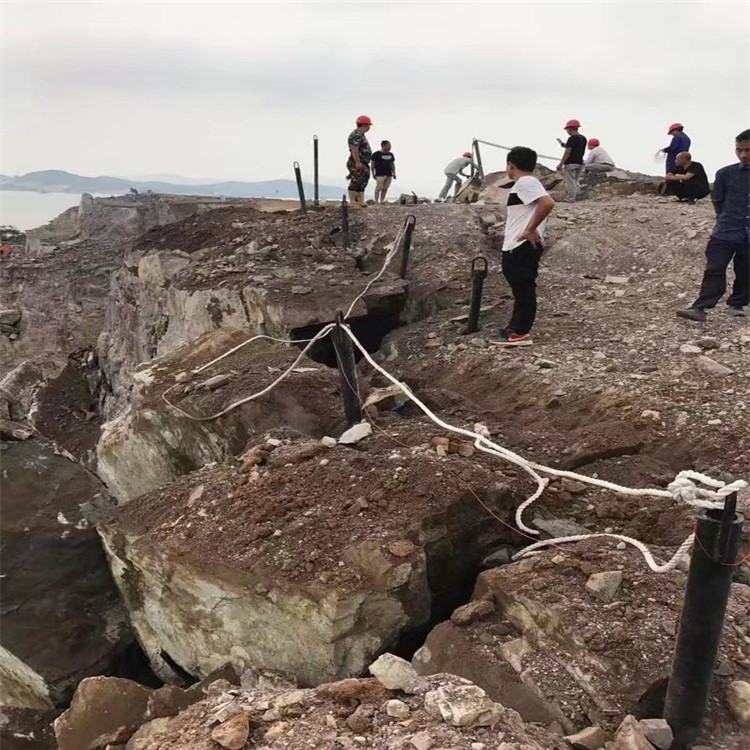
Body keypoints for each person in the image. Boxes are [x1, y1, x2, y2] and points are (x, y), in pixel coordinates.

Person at [676, 129, 750, 322]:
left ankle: (737, 304)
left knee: (746, 270)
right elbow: (718, 200)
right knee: (714, 268)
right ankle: (700, 307)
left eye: (748, 150)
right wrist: (725, 219)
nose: (743, 155)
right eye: (739, 150)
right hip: (725, 231)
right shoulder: (726, 173)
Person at [494, 146, 556, 346]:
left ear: (511, 165)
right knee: (519, 286)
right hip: (517, 244)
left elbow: (547, 203)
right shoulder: (527, 183)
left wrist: (530, 229)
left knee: (523, 288)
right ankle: (514, 326)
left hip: (521, 245)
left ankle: (521, 332)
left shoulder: (526, 182)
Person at [556, 119, 587, 201]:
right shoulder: (583, 138)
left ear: (570, 128)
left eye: (567, 129)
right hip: (580, 163)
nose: (567, 131)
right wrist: (563, 144)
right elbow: (575, 147)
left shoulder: (571, 138)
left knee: (570, 182)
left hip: (570, 163)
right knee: (576, 181)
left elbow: (567, 152)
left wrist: (561, 164)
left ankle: (571, 198)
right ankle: (578, 196)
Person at [347, 115, 373, 206]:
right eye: (369, 125)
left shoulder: (361, 135)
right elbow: (355, 149)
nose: (369, 127)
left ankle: (361, 201)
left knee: (363, 181)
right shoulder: (356, 135)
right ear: (365, 125)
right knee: (356, 180)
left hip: (364, 162)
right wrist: (357, 162)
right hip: (357, 162)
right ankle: (352, 201)